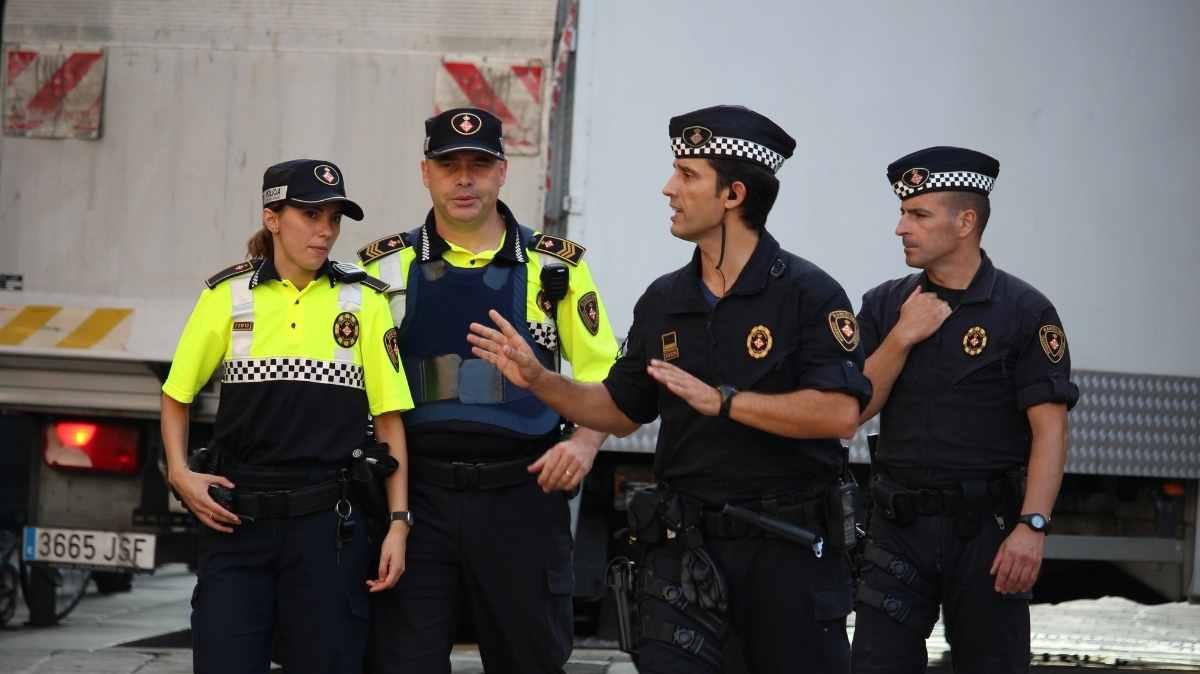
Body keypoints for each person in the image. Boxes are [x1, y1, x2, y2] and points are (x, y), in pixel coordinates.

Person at [469, 105, 873, 673]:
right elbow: (617, 409)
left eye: (687, 175)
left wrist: (724, 401)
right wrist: (541, 380)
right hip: (686, 557)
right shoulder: (665, 299)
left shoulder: (808, 294)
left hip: (788, 559)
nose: (668, 188)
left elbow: (838, 414)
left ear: (733, 194)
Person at [360, 107, 619, 674]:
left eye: (479, 164)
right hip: (415, 501)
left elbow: (607, 378)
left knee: (530, 660)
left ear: (503, 172)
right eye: (448, 165)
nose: (464, 178)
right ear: (425, 173)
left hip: (521, 499)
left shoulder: (556, 268)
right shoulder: (383, 271)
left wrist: (583, 445)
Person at [161, 159, 413, 674]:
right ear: (272, 217)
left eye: (335, 219)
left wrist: (398, 525)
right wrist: (180, 473)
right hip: (238, 527)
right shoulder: (227, 295)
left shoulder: (364, 300)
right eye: (310, 215)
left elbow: (389, 422)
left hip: (328, 531)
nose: (326, 232)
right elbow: (176, 395)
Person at [849, 146, 1080, 673]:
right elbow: (854, 407)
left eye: (918, 214)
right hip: (896, 529)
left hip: (986, 533)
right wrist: (902, 336)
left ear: (966, 222)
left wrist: (1033, 527)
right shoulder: (885, 304)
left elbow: (1050, 431)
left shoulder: (1023, 311)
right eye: (904, 212)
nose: (901, 227)